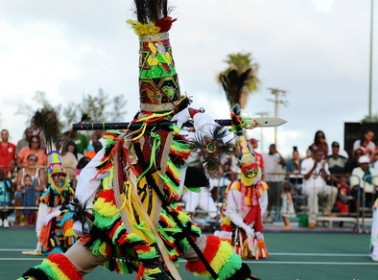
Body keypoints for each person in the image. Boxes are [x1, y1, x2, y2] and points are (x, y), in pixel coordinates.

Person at [18, 3, 262, 279]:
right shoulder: (180, 134)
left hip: (119, 220)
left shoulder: (125, 138)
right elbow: (219, 143)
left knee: (68, 264)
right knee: (206, 253)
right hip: (149, 223)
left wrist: (81, 215)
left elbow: (88, 175)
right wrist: (206, 119)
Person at [216, 106, 269, 259]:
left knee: (253, 252)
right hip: (236, 222)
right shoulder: (235, 188)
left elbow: (263, 207)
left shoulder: (262, 187)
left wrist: (253, 224)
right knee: (232, 253)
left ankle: (250, 241)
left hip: (252, 222)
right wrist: (245, 226)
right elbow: (231, 212)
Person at [22, 150, 77, 255]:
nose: (58, 179)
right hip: (52, 227)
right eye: (55, 176)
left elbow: (72, 208)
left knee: (69, 219)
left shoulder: (70, 192)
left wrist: (55, 214)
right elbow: (41, 222)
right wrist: (39, 245)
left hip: (66, 223)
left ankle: (71, 247)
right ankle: (45, 246)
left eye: (61, 176)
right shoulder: (46, 196)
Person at [301, 148, 337, 228]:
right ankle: (312, 220)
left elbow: (327, 178)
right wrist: (313, 167)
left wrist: (323, 168)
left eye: (322, 156)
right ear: (313, 155)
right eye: (319, 156)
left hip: (321, 187)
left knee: (333, 190)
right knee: (313, 194)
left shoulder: (324, 163)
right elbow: (305, 176)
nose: (321, 158)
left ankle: (326, 212)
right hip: (308, 187)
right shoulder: (306, 162)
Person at [14, 154, 46, 225]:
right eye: (30, 159)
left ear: (36, 161)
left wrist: (38, 188)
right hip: (24, 190)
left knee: (38, 195)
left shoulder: (40, 171)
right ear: (27, 161)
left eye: (34, 160)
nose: (32, 161)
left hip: (35, 190)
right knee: (18, 195)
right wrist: (20, 189)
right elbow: (18, 184)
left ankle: (36, 219)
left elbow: (43, 185)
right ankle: (18, 216)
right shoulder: (22, 171)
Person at [262, 143, 286, 223]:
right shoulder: (264, 155)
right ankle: (263, 215)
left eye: (274, 148)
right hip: (265, 180)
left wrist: (278, 152)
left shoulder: (276, 157)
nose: (273, 149)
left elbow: (284, 163)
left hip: (273, 180)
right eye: (272, 148)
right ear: (269, 148)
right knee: (264, 198)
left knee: (271, 199)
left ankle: (267, 215)